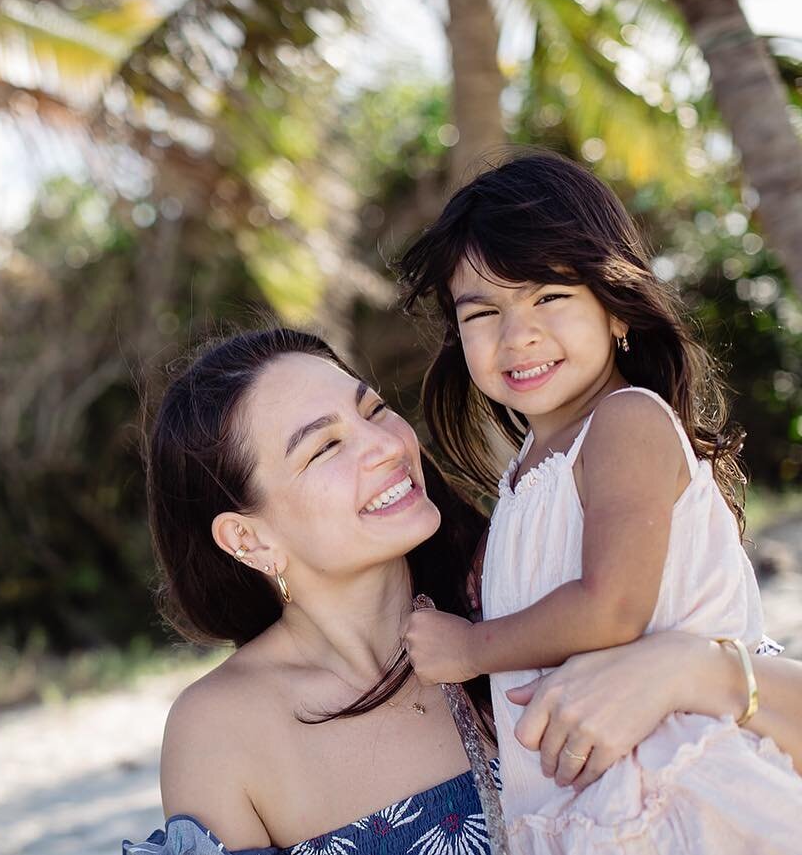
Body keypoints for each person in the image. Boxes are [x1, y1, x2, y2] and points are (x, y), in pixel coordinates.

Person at [125, 327, 802, 855]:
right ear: (249, 541)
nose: (386, 445)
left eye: (375, 409)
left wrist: (692, 669)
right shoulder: (223, 730)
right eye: (324, 447)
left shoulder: (527, 603)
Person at [396, 152, 802, 852]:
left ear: (616, 308)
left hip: (678, 797)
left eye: (548, 297)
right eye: (482, 311)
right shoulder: (526, 472)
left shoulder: (625, 423)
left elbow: (612, 608)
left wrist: (470, 647)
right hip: (593, 815)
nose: (515, 333)